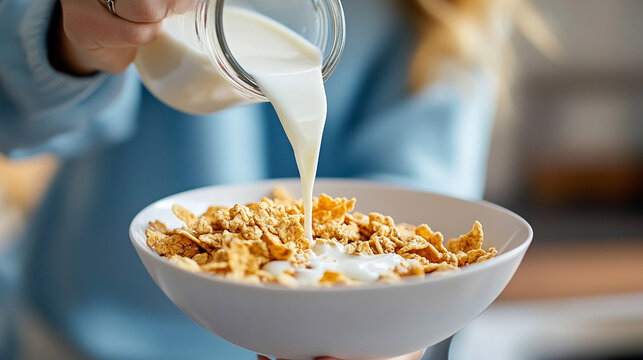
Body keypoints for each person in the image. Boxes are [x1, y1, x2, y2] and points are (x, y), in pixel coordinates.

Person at [0, 0, 523, 358]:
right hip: (81, 331)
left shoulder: (451, 14)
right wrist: (69, 41)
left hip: (319, 346)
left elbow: (421, 201)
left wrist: (395, 322)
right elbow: (18, 120)